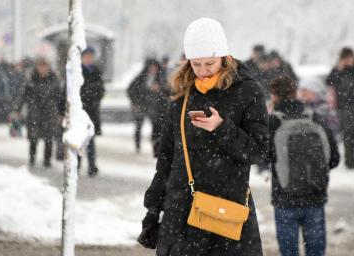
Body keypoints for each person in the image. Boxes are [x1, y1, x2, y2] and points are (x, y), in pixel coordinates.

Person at [138, 17, 268, 255]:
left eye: (210, 63)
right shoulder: (181, 94)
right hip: (181, 214)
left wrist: (222, 128)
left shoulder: (248, 91)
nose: (203, 70)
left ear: (225, 58)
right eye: (196, 64)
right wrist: (153, 209)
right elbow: (167, 157)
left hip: (225, 212)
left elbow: (259, 151)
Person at [267, 76, 339, 256]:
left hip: (284, 198)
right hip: (315, 196)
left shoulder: (272, 123)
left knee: (289, 251)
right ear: (296, 93)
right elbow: (334, 158)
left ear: (274, 96)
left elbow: (263, 156)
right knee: (315, 251)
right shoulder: (315, 118)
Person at [19, 57, 63, 168]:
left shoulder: (54, 80)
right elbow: (23, 96)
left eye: (45, 66)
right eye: (40, 66)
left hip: (50, 113)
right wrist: (17, 109)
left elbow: (60, 98)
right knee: (33, 138)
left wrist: (61, 113)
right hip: (34, 113)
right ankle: (32, 159)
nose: (42, 68)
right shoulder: (31, 80)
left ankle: (47, 161)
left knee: (49, 138)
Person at [326, 47, 354, 169]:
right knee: (348, 134)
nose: (349, 61)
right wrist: (338, 70)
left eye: (350, 58)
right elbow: (329, 82)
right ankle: (350, 162)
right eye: (346, 58)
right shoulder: (338, 70)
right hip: (344, 107)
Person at [127, 58, 168, 155]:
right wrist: (135, 102)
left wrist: (159, 89)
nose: (153, 69)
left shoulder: (160, 78)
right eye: (151, 67)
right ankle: (137, 146)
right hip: (141, 105)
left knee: (156, 128)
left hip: (155, 107)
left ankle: (156, 148)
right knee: (138, 127)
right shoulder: (141, 78)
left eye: (155, 68)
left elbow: (167, 91)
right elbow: (131, 89)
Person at [79, 47, 105, 177]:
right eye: (86, 56)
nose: (88, 59)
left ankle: (91, 165)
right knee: (78, 139)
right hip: (80, 110)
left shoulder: (96, 71)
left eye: (91, 56)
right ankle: (76, 165)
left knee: (90, 139)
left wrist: (94, 98)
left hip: (92, 111)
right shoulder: (77, 70)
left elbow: (101, 90)